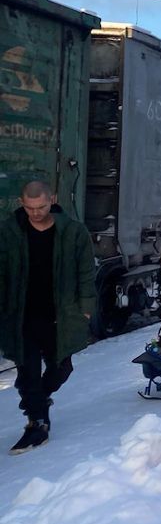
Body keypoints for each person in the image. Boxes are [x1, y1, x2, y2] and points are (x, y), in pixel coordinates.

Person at [0, 181, 96, 454]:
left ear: (52, 199)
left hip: (61, 314)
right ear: (22, 203)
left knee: (62, 367)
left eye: (41, 206)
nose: (36, 212)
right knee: (27, 370)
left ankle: (39, 398)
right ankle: (37, 424)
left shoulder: (74, 232)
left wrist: (86, 306)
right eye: (30, 208)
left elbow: (86, 272)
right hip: (21, 315)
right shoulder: (9, 232)